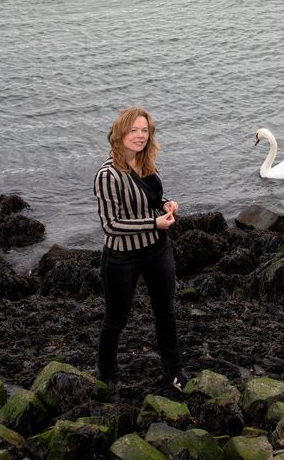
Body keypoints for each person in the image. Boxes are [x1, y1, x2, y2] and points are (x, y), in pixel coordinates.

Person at [94, 106, 187, 394]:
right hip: (122, 258)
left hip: (158, 250)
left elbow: (151, 200)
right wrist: (154, 223)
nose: (140, 135)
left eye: (144, 130)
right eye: (133, 130)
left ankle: (174, 370)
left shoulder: (147, 164)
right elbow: (110, 225)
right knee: (116, 320)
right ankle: (107, 374)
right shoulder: (108, 175)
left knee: (166, 312)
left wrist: (166, 204)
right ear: (119, 133)